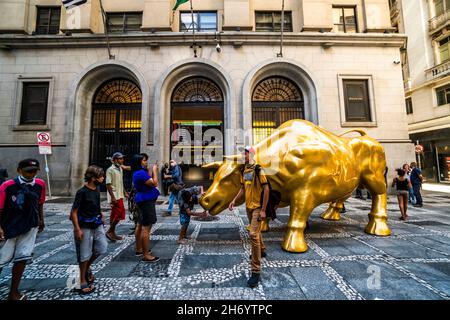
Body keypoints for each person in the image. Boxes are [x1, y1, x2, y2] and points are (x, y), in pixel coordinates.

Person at [0, 159, 46, 300]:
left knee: (22, 259)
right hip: (9, 227)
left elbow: (40, 203)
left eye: (34, 171)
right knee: (1, 259)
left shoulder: (40, 184)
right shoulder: (7, 186)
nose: (31, 174)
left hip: (30, 226)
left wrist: (41, 220)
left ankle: (13, 292)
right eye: (28, 171)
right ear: (19, 170)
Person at [228, 146, 269, 288]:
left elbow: (267, 188)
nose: (243, 156)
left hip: (257, 208)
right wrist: (234, 200)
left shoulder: (259, 169)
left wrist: (263, 210)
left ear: (251, 154)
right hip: (248, 208)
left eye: (245, 154)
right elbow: (243, 188)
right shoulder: (244, 170)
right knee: (255, 232)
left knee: (253, 234)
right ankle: (262, 250)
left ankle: (256, 271)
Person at [70, 166, 108, 294]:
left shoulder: (97, 190)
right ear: (93, 178)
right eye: (101, 176)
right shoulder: (82, 192)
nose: (103, 178)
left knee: (102, 247)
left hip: (96, 223)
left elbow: (96, 205)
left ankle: (87, 267)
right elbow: (74, 212)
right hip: (84, 225)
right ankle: (82, 281)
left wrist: (101, 214)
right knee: (84, 253)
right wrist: (77, 229)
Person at [132, 154, 160, 263]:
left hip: (142, 200)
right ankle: (146, 255)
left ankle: (139, 249)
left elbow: (147, 182)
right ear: (139, 162)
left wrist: (148, 171)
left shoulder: (138, 172)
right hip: (146, 202)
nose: (146, 162)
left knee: (139, 224)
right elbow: (154, 183)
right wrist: (154, 171)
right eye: (144, 160)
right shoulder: (140, 173)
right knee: (146, 228)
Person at [105, 152, 128, 241]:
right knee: (120, 213)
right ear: (114, 160)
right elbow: (108, 184)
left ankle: (112, 233)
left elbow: (120, 182)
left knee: (114, 214)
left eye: (122, 158)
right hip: (115, 196)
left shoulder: (120, 169)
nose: (122, 160)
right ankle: (110, 231)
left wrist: (125, 192)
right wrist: (113, 197)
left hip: (120, 194)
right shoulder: (110, 170)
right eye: (120, 158)